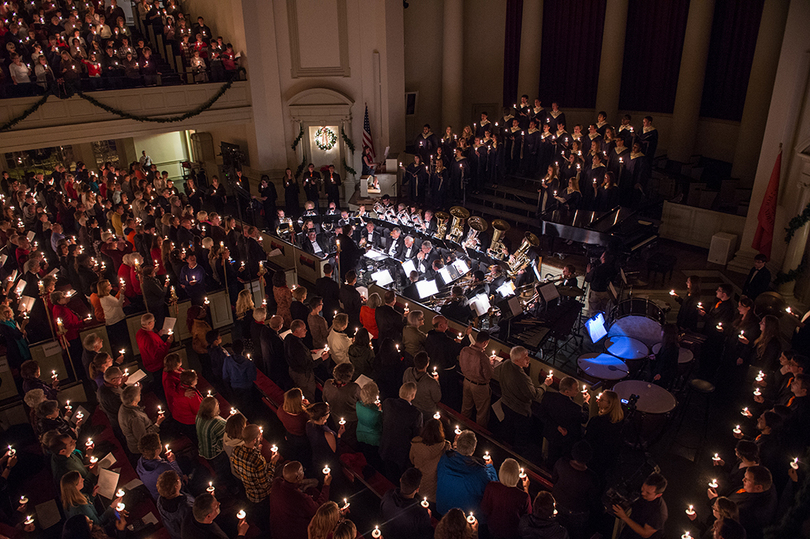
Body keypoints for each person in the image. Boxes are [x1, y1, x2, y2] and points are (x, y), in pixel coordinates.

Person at [495, 345, 552, 452]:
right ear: (516, 360)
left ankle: (503, 449)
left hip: (505, 404)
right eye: (525, 357)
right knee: (521, 436)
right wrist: (545, 385)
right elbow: (534, 395)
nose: (528, 359)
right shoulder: (523, 378)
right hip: (519, 411)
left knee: (507, 428)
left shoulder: (506, 363)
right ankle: (517, 454)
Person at [435, 430, 498, 515]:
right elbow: (493, 486)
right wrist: (490, 467)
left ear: (458, 444)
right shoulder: (481, 473)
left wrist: (454, 449)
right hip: (464, 517)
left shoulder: (445, 459)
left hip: (442, 509)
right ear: (474, 448)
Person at [231, 424, 280, 531]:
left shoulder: (236, 450)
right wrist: (272, 462)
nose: (261, 438)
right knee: (265, 519)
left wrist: (257, 450)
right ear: (254, 440)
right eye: (259, 437)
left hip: (248, 491)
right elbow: (265, 484)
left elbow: (238, 469)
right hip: (261, 495)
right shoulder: (258, 460)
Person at [268, 461, 331, 539]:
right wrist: (326, 485)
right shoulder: (299, 497)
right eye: (302, 471)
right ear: (298, 477)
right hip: (293, 533)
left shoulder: (277, 482)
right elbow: (318, 508)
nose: (303, 473)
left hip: (276, 529)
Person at [551, 441, 600, 539]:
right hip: (578, 512)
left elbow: (554, 479)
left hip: (558, 503)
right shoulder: (592, 477)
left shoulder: (561, 462)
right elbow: (593, 499)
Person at [538, 376, 590, 467]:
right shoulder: (575, 408)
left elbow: (542, 415)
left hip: (551, 435)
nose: (578, 391)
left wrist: (556, 426)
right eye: (576, 389)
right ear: (567, 392)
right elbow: (584, 419)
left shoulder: (548, 396)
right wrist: (585, 403)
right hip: (567, 440)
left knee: (551, 456)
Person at [380, 382, 424, 481]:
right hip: (402, 454)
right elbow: (416, 437)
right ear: (413, 396)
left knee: (388, 476)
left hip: (386, 447)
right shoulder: (416, 414)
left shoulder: (387, 403)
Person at [480, 458, 532, 539]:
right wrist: (526, 489)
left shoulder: (491, 486)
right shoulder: (523, 496)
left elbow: (484, 508)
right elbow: (527, 517)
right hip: (512, 534)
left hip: (493, 529)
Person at [380, 467, 434, 539]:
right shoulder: (420, 514)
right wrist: (427, 517)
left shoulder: (388, 495)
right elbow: (426, 535)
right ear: (417, 489)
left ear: (400, 480)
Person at [60, 471, 125, 530]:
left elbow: (88, 503)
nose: (83, 479)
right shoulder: (81, 506)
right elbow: (97, 522)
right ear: (75, 486)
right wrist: (111, 507)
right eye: (80, 480)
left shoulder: (70, 497)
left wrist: (93, 495)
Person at [726, 466, 777, 539]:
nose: (743, 480)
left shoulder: (749, 511)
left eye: (747, 480)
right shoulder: (767, 486)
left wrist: (714, 500)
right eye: (744, 477)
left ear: (758, 487)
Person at [612, 472, 668, 539]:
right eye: (643, 488)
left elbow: (645, 534)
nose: (643, 493)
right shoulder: (643, 490)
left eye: (648, 493)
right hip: (631, 526)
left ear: (658, 495)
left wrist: (624, 517)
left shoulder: (659, 513)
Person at [583, 390, 624, 476]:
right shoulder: (619, 420)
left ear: (609, 404)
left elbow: (588, 441)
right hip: (609, 460)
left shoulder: (597, 421)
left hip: (595, 458)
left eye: (601, 400)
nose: (597, 401)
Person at [286, 319, 328, 400]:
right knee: (308, 394)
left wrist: (310, 352)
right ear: (296, 331)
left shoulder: (289, 337)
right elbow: (307, 365)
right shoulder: (298, 347)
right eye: (303, 329)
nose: (306, 330)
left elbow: (295, 355)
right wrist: (322, 358)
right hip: (303, 376)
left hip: (293, 370)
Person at [459, 331, 494, 427]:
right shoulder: (482, 357)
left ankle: (462, 427)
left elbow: (461, 365)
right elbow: (488, 375)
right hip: (480, 387)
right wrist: (491, 364)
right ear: (485, 343)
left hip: (466, 381)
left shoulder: (464, 350)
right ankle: (479, 433)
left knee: (466, 408)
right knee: (481, 412)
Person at [118, 384, 165, 456]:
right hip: (145, 448)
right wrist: (157, 424)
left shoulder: (124, 405)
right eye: (139, 394)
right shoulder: (135, 418)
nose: (140, 394)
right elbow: (144, 438)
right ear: (134, 401)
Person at [136, 433, 184, 501]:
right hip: (170, 496)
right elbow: (179, 477)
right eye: (160, 443)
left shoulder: (140, 463)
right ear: (157, 450)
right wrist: (173, 461)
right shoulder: (163, 468)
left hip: (156, 497)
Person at [196, 396, 230, 489]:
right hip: (215, 452)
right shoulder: (218, 423)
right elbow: (226, 438)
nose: (218, 405)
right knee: (223, 471)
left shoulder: (198, 416)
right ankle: (227, 486)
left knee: (214, 466)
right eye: (217, 405)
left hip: (203, 448)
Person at [322, 362, 360, 446]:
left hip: (335, 416)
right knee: (351, 437)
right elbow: (361, 400)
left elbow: (324, 399)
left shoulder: (328, 383)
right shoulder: (354, 387)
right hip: (351, 418)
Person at [181, 492, 249, 539]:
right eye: (216, 506)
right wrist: (241, 534)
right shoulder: (213, 535)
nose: (219, 503)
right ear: (208, 516)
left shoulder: (190, 515)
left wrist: (209, 499)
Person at [276, 388, 311, 467]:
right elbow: (312, 421)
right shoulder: (302, 416)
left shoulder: (281, 410)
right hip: (302, 438)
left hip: (290, 434)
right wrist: (309, 406)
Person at [157, 470, 194, 539]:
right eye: (178, 480)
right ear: (176, 485)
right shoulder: (186, 507)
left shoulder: (160, 500)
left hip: (175, 534)